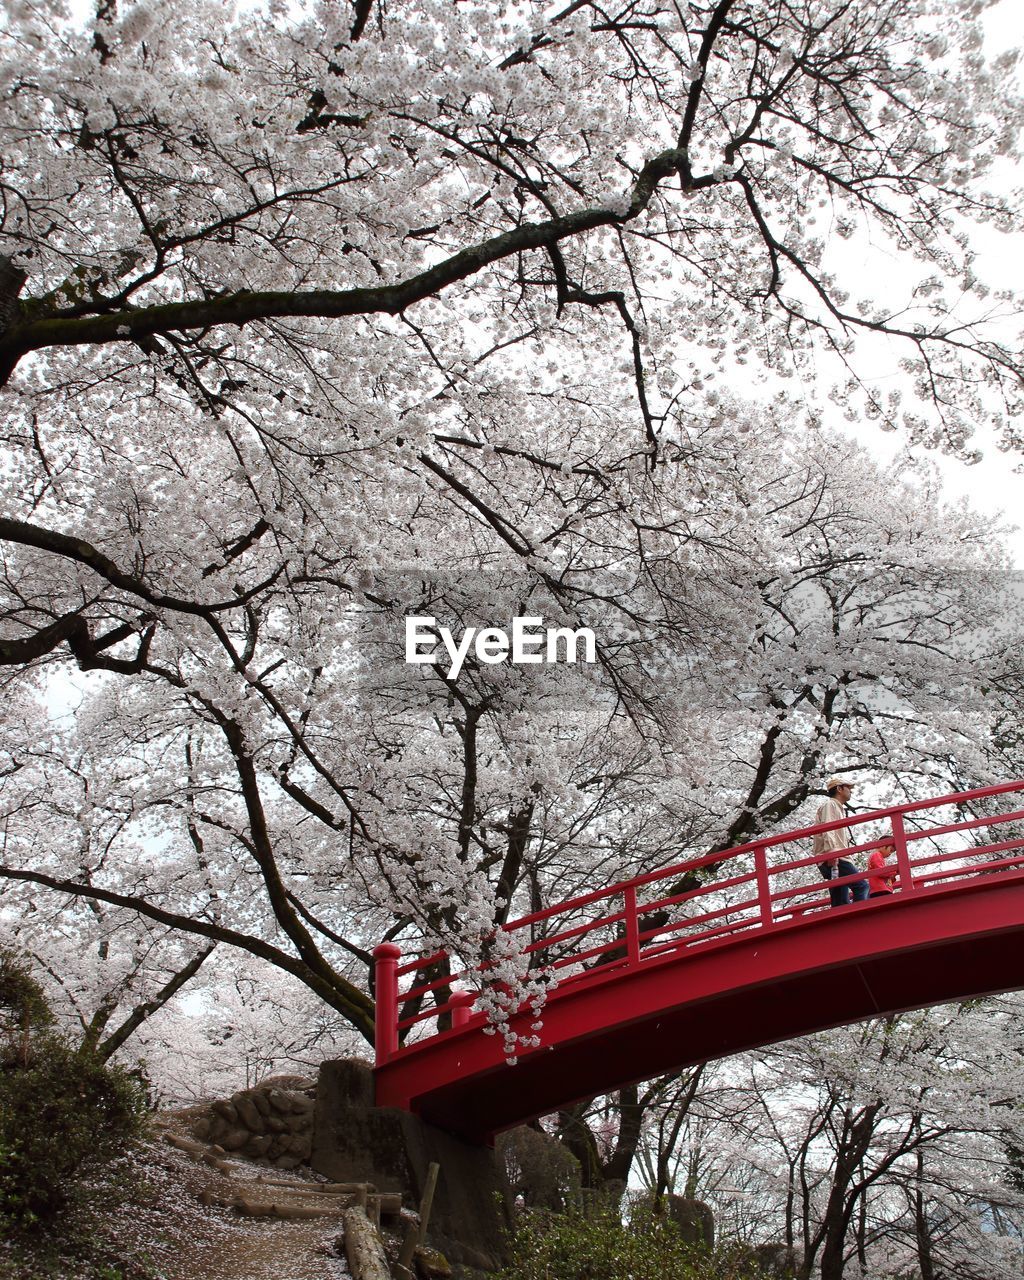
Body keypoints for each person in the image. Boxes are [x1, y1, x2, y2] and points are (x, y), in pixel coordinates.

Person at [813, 776, 869, 906]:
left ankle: (844, 924)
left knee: (840, 897)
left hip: (833, 856)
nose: (851, 791)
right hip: (834, 855)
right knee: (861, 886)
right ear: (839, 789)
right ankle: (861, 917)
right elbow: (827, 827)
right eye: (848, 788)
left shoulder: (837, 807)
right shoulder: (830, 804)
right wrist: (832, 851)